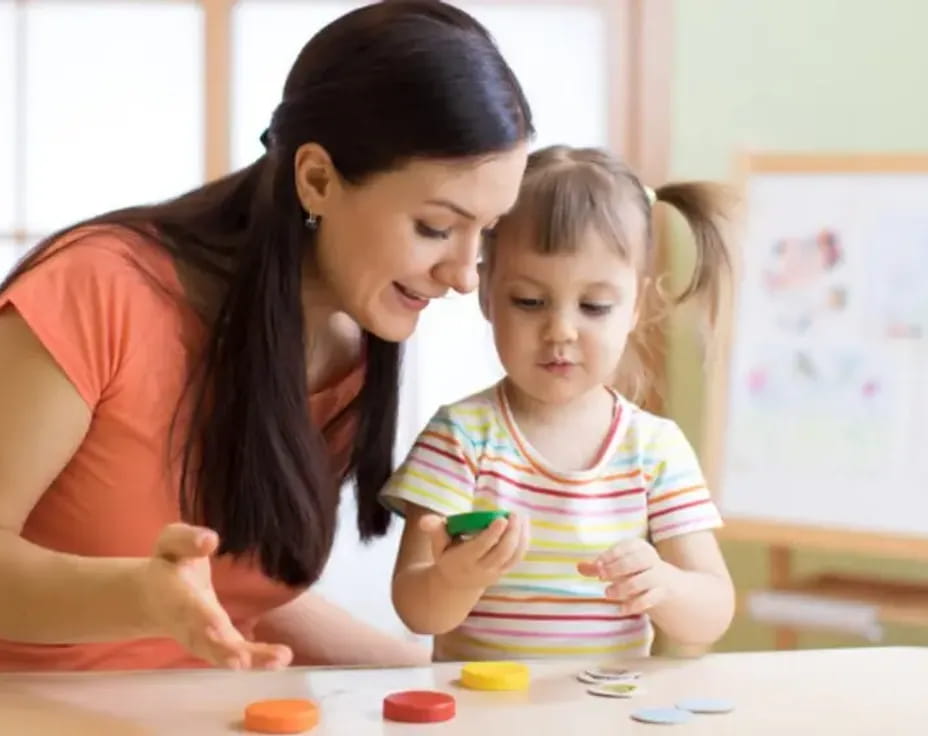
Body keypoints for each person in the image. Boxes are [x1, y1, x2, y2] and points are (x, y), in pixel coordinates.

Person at [0, 0, 532, 672]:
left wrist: (429, 681)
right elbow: (172, 601)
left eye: (483, 232)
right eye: (434, 227)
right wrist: (136, 595)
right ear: (316, 179)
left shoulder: (347, 345)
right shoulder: (98, 291)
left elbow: (237, 595)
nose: (462, 275)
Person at [384, 145, 735, 661]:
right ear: (487, 298)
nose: (561, 331)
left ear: (636, 306)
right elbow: (415, 608)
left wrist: (664, 585)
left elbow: (714, 611)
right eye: (529, 301)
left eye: (594, 306)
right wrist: (455, 580)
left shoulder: (654, 449)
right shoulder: (460, 436)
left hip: (606, 713)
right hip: (485, 716)